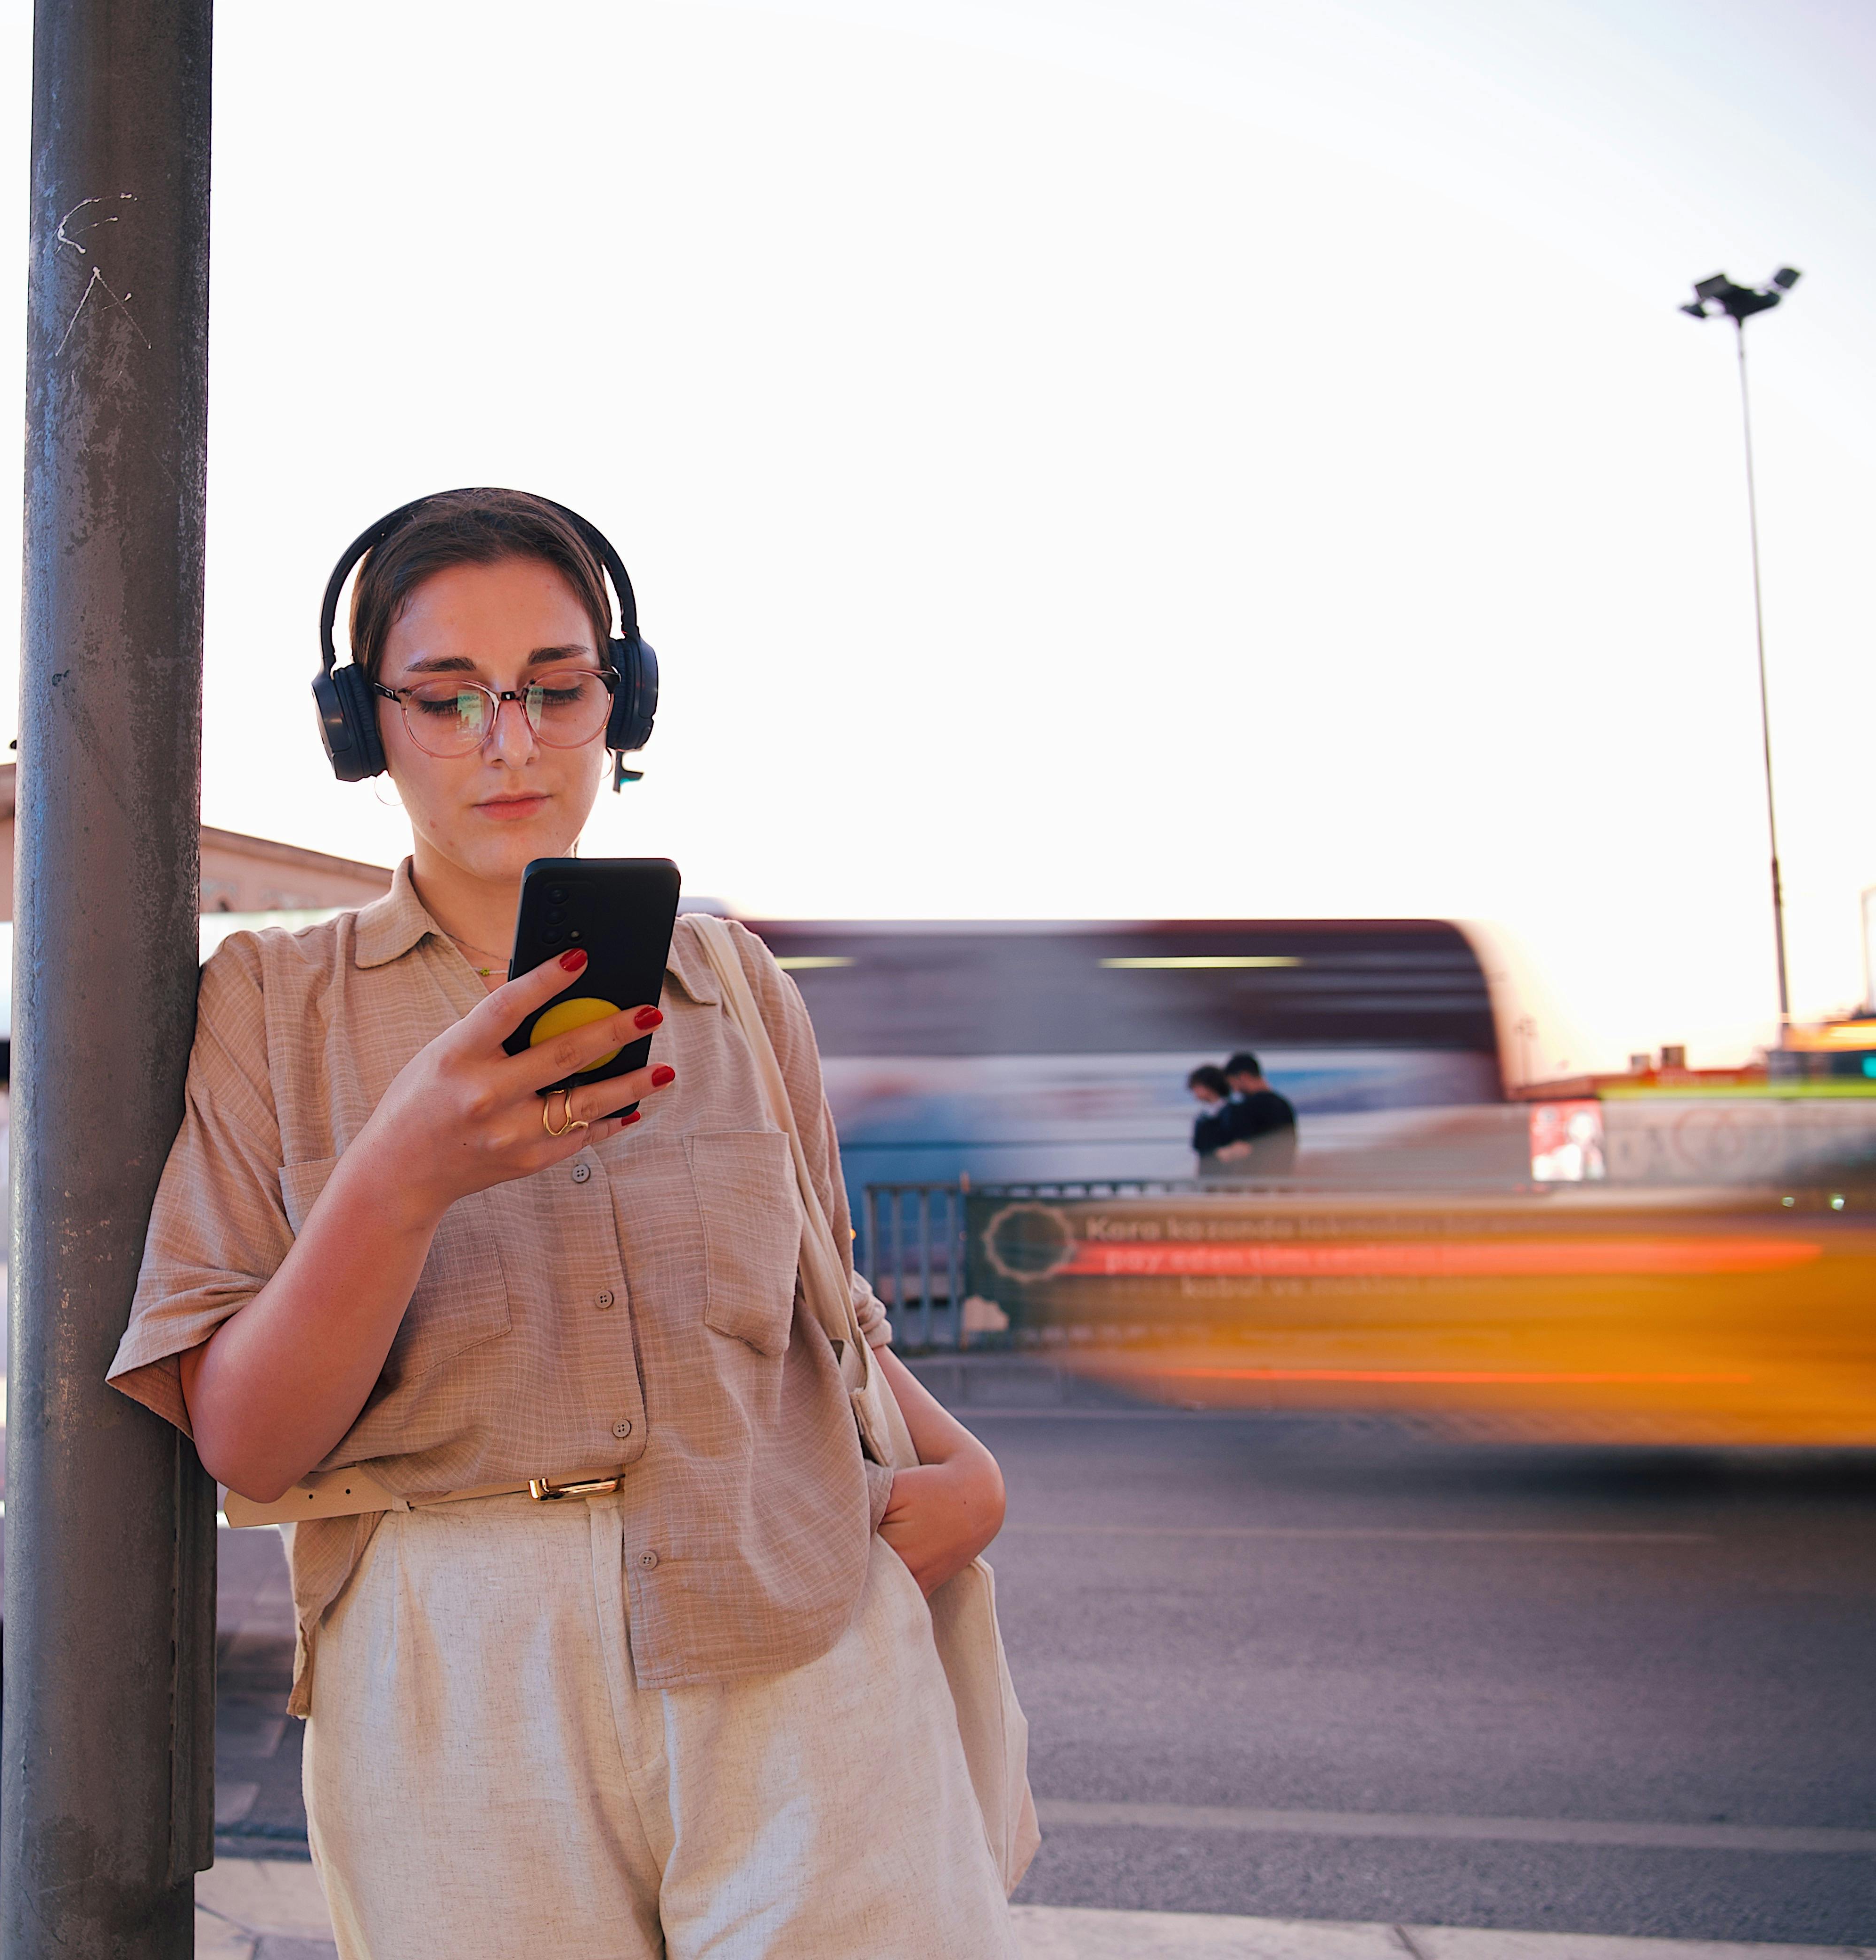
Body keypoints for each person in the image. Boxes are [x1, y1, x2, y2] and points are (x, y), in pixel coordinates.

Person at [107, 488, 1018, 1958]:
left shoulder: (736, 985)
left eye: (553, 687)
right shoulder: (273, 1006)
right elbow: (248, 1440)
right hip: (455, 1684)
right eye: (447, 698)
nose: (508, 740)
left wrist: (963, 1467)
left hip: (797, 1635)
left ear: (620, 700)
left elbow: (819, 1320)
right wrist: (403, 1170)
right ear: (367, 726)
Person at [1214, 1050, 1299, 1174]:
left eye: (1233, 1083)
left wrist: (1222, 1154)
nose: (1235, 1090)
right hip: (1281, 1178)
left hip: (1256, 1182)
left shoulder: (1249, 1106)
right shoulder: (1283, 1104)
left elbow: (1244, 1148)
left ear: (1244, 1077)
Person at [1186, 1062, 1236, 1173]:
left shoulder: (1234, 1112)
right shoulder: (1202, 1117)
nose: (1194, 1092)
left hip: (1230, 1174)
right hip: (1208, 1174)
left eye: (1196, 1087)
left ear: (1209, 1086)